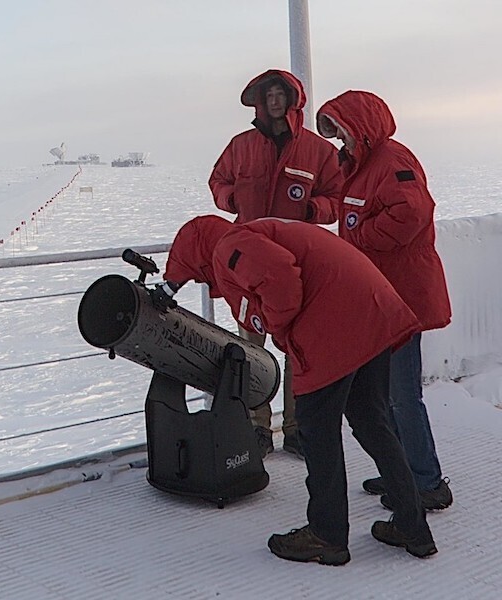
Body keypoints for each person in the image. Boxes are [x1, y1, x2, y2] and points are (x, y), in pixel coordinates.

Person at [160, 215, 437, 565]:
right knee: (373, 423)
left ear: (200, 256)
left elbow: (281, 281)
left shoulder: (228, 247)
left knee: (317, 432)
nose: (205, 279)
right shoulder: (257, 231)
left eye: (198, 274)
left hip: (334, 323)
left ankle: (327, 535)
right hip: (372, 311)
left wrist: (273, 323)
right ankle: (413, 527)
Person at [316, 90, 454, 511]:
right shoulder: (362, 166)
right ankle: (401, 470)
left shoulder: (391, 162)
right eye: (336, 134)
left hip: (403, 300)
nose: (341, 142)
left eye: (343, 132)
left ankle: (427, 482)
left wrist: (359, 237)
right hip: (381, 297)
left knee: (401, 395)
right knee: (380, 393)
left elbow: (413, 213)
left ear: (362, 128)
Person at [208, 69, 343, 459]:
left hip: (297, 266)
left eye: (279, 93)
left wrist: (314, 209)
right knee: (251, 349)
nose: (273, 100)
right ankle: (257, 428)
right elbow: (218, 181)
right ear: (258, 100)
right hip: (249, 267)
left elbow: (337, 195)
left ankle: (298, 428)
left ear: (292, 99)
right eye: (267, 95)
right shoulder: (241, 146)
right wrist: (231, 200)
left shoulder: (318, 151)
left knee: (297, 349)